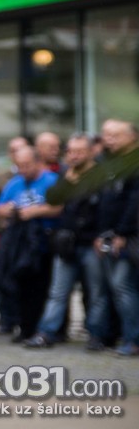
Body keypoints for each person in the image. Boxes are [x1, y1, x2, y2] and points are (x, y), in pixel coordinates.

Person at [23, 132, 108, 350]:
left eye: (80, 151)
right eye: (71, 151)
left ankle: (97, 335)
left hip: (91, 243)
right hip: (66, 243)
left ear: (90, 152)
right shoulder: (64, 174)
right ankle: (46, 332)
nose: (74, 156)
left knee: (96, 292)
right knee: (57, 292)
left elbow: (104, 210)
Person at [0, 145, 60, 342]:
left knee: (44, 287)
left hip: (45, 241)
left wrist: (35, 211)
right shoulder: (15, 183)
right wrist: (9, 209)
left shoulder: (51, 180)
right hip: (21, 244)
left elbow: (59, 207)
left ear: (38, 162)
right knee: (22, 286)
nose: (23, 170)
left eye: (26, 165)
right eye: (19, 166)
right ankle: (25, 328)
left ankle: (46, 329)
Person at [94, 119, 139, 356]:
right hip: (111, 235)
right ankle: (125, 336)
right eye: (106, 135)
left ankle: (133, 340)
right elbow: (106, 202)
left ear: (132, 137)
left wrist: (122, 232)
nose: (109, 140)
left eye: (115, 135)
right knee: (117, 288)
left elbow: (134, 201)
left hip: (129, 237)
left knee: (123, 286)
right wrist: (102, 233)